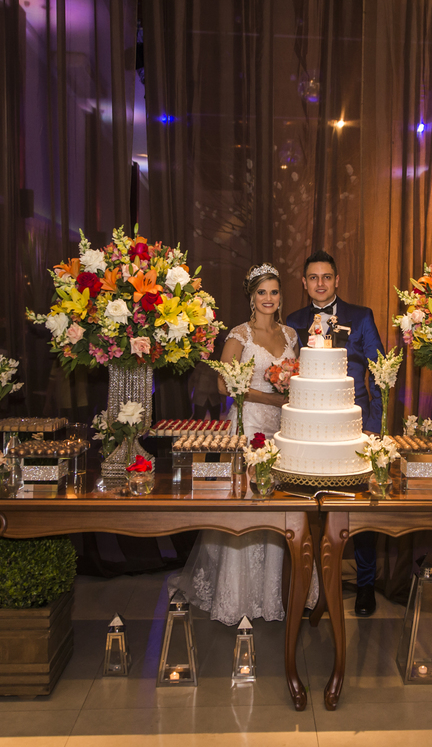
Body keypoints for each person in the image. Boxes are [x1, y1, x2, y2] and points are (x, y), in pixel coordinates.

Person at [170, 264, 317, 623]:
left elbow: (301, 377)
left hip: (284, 428)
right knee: (249, 502)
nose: (269, 298)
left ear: (281, 296)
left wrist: (289, 389)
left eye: (274, 292)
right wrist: (271, 398)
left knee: (282, 504)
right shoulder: (239, 334)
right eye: (262, 292)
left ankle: (279, 591)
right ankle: (239, 595)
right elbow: (224, 385)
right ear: (252, 297)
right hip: (248, 423)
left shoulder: (291, 335)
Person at [286, 250, 385, 617]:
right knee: (305, 510)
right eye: (313, 277)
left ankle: (365, 584)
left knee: (360, 510)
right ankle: (311, 586)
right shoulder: (293, 321)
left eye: (326, 277)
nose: (320, 283)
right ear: (304, 282)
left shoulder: (361, 316)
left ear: (337, 280)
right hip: (308, 430)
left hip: (354, 426)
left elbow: (380, 372)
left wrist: (373, 425)